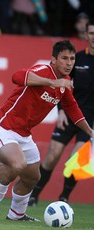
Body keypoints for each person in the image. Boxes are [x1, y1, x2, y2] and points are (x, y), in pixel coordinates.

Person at [0, 40, 93, 221]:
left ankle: (16, 214)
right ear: (53, 60)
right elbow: (16, 76)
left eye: (72, 59)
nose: (69, 62)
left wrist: (90, 132)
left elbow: (73, 110)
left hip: (24, 135)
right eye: (64, 58)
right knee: (18, 164)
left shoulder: (64, 84)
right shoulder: (44, 71)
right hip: (2, 128)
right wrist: (52, 82)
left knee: (33, 176)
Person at [28, 19, 94, 207]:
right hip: (70, 114)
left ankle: (63, 197)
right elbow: (62, 85)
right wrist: (61, 111)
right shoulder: (76, 59)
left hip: (90, 122)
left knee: (74, 162)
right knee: (52, 156)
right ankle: (33, 196)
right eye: (91, 33)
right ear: (86, 35)